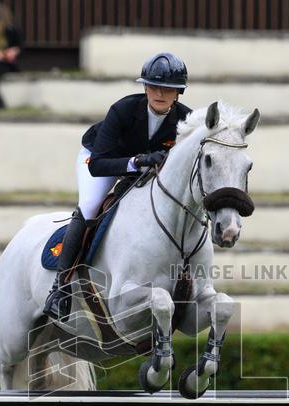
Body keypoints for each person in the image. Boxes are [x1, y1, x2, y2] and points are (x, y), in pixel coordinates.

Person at [43, 52, 193, 320]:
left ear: (178, 93)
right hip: (101, 159)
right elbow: (97, 165)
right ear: (145, 88)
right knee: (90, 206)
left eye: (167, 89)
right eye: (153, 86)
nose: (159, 93)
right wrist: (137, 161)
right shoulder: (123, 110)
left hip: (144, 171)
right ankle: (61, 287)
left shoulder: (186, 121)